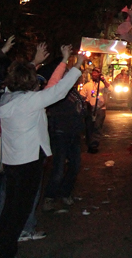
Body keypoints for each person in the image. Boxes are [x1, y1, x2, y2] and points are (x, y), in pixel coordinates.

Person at [0, 53, 84, 258]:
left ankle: (5, 243)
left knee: (10, 207)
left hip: (11, 160)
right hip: (28, 161)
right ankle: (6, 249)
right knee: (19, 210)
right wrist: (77, 65)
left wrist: (37, 63)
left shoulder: (6, 98)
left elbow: (49, 86)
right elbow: (58, 90)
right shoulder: (28, 102)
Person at [43, 45, 85, 211]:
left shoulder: (74, 92)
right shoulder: (57, 92)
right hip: (60, 133)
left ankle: (65, 193)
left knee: (74, 166)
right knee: (59, 168)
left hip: (74, 133)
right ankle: (50, 197)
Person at [80, 68, 107, 153]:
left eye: (97, 73)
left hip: (100, 108)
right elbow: (82, 95)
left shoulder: (102, 85)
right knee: (89, 127)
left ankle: (94, 145)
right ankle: (89, 144)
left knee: (97, 127)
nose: (94, 75)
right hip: (90, 109)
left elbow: (110, 89)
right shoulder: (87, 85)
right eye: (93, 73)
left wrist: (104, 80)